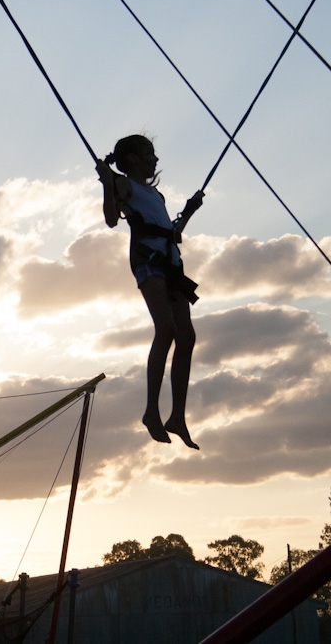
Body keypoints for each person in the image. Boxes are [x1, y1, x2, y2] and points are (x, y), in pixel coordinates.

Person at [97, 134, 203, 448]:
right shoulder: (123, 185)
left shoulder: (155, 195)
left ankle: (177, 416)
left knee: (187, 336)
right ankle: (151, 412)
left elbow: (171, 232)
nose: (155, 160)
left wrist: (190, 210)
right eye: (149, 153)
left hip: (171, 262)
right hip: (148, 261)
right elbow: (111, 220)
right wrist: (107, 183)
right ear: (132, 159)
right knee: (167, 329)